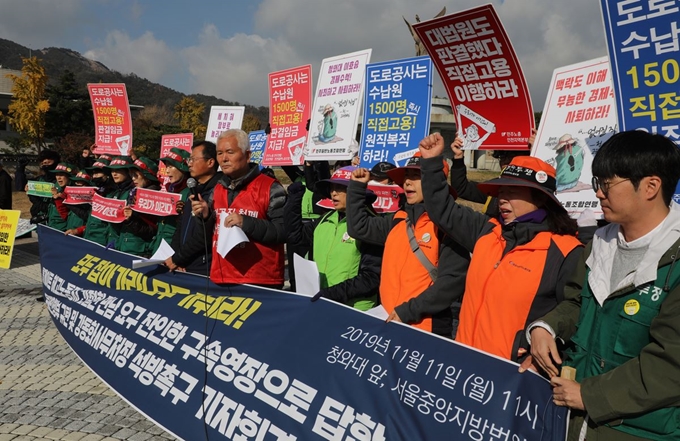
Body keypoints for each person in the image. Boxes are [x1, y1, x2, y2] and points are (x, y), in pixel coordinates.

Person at [520, 130, 680, 441]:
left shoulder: (674, 261)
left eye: (606, 185)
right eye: (597, 184)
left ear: (651, 186)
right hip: (573, 422)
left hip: (638, 431)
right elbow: (576, 303)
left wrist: (590, 396)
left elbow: (671, 364)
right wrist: (544, 329)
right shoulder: (599, 243)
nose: (598, 194)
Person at [418, 132, 583, 360]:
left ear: (541, 197)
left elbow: (576, 310)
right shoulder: (488, 229)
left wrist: (545, 336)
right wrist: (431, 163)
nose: (502, 198)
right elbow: (442, 211)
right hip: (463, 361)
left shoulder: (567, 251)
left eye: (512, 191)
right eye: (501, 191)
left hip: (512, 378)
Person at [347, 153, 470, 338]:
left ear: (437, 183)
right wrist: (357, 187)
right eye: (406, 176)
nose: (407, 182)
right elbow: (359, 228)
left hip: (425, 330)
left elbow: (451, 283)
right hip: (388, 321)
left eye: (416, 176)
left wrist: (408, 311)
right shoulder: (398, 219)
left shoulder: (450, 227)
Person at [191, 129, 287, 288]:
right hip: (221, 278)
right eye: (220, 153)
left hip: (259, 282)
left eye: (230, 152)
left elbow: (283, 231)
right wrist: (206, 217)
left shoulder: (270, 187)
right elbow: (207, 235)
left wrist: (246, 222)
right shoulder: (217, 189)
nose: (224, 158)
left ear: (248, 155)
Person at [285, 166, 382, 310]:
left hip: (355, 311)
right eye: (331, 187)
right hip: (323, 303)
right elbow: (296, 237)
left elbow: (371, 277)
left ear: (356, 189)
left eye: (340, 188)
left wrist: (333, 293)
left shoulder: (371, 224)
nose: (333, 193)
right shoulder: (324, 219)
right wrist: (293, 201)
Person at [166, 141, 221, 275]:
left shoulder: (219, 192)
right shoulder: (192, 190)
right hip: (182, 264)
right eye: (189, 160)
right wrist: (176, 256)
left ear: (210, 162)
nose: (189, 164)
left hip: (203, 269)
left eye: (193, 159)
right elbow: (180, 227)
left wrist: (179, 258)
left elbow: (205, 235)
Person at [150, 147, 191, 254]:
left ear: (183, 169)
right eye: (166, 166)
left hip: (173, 251)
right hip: (158, 247)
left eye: (171, 166)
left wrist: (183, 213)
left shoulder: (190, 193)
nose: (167, 171)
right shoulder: (168, 190)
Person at [116, 157, 160, 257]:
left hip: (140, 252)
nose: (133, 178)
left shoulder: (156, 197)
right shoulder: (132, 193)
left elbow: (152, 231)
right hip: (124, 247)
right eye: (131, 175)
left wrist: (131, 220)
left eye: (136, 175)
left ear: (147, 176)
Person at [28, 149, 60, 225]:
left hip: (54, 218)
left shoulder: (60, 181)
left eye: (49, 162)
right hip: (38, 217)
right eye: (44, 163)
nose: (46, 165)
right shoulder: (39, 179)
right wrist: (29, 192)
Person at [47, 162, 78, 232]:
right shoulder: (56, 188)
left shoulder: (76, 192)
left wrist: (60, 199)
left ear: (69, 176)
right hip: (52, 225)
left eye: (61, 174)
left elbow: (65, 215)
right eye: (57, 174)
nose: (58, 177)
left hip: (65, 229)